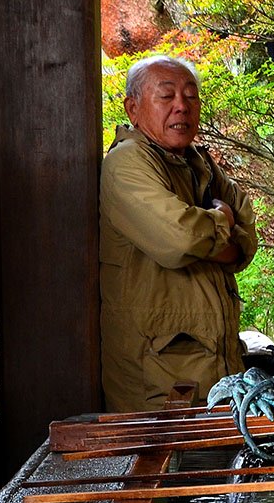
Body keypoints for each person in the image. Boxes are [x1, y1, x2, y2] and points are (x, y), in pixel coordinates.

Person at [100, 55, 258, 412]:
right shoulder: (127, 161)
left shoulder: (197, 163)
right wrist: (221, 220)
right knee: (170, 470)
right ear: (133, 108)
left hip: (214, 373)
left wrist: (218, 235)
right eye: (166, 96)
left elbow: (247, 234)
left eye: (190, 96)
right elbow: (180, 239)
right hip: (161, 384)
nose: (181, 107)